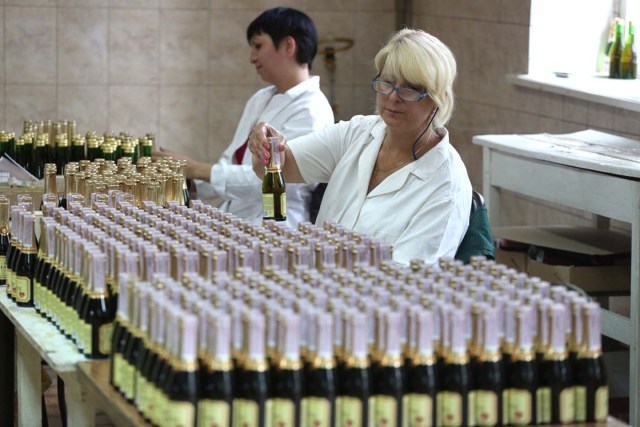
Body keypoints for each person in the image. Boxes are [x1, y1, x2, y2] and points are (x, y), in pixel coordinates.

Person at [249, 28, 472, 266]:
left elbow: (410, 281)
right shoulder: (358, 133)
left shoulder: (445, 186)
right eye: (387, 82)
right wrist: (267, 144)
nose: (393, 97)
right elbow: (273, 169)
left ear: (438, 99)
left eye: (410, 88)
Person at [155, 7, 334, 228]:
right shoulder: (261, 99)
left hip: (277, 226)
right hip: (237, 216)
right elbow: (230, 162)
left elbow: (279, 180)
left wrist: (195, 168)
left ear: (288, 45)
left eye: (258, 46)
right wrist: (188, 181)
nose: (252, 58)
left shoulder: (313, 109)